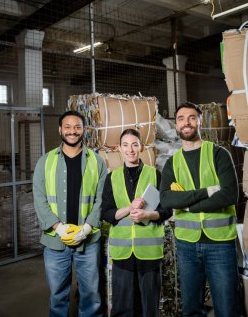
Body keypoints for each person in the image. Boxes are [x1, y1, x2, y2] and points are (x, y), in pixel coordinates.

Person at [160, 101, 240, 317]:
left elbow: (230, 194)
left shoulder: (219, 154)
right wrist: (206, 192)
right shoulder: (172, 163)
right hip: (187, 243)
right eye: (181, 119)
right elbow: (166, 199)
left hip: (220, 244)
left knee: (227, 307)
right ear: (176, 125)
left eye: (192, 117)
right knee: (192, 309)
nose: (187, 123)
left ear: (200, 121)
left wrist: (184, 204)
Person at [33, 110, 107, 317]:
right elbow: (39, 199)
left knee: (91, 294)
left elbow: (102, 198)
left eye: (77, 127)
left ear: (84, 130)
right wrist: (57, 226)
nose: (72, 132)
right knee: (58, 295)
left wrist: (88, 227)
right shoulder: (45, 162)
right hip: (55, 242)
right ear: (60, 130)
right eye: (67, 127)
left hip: (88, 240)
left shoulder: (96, 161)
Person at [101, 128, 172, 317]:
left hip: (148, 253)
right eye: (125, 145)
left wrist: (147, 215)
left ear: (141, 147)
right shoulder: (111, 178)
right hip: (123, 252)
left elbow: (166, 210)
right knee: (122, 307)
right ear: (119, 148)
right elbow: (106, 214)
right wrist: (129, 209)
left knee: (149, 307)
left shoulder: (155, 175)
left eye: (134, 144)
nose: (130, 149)